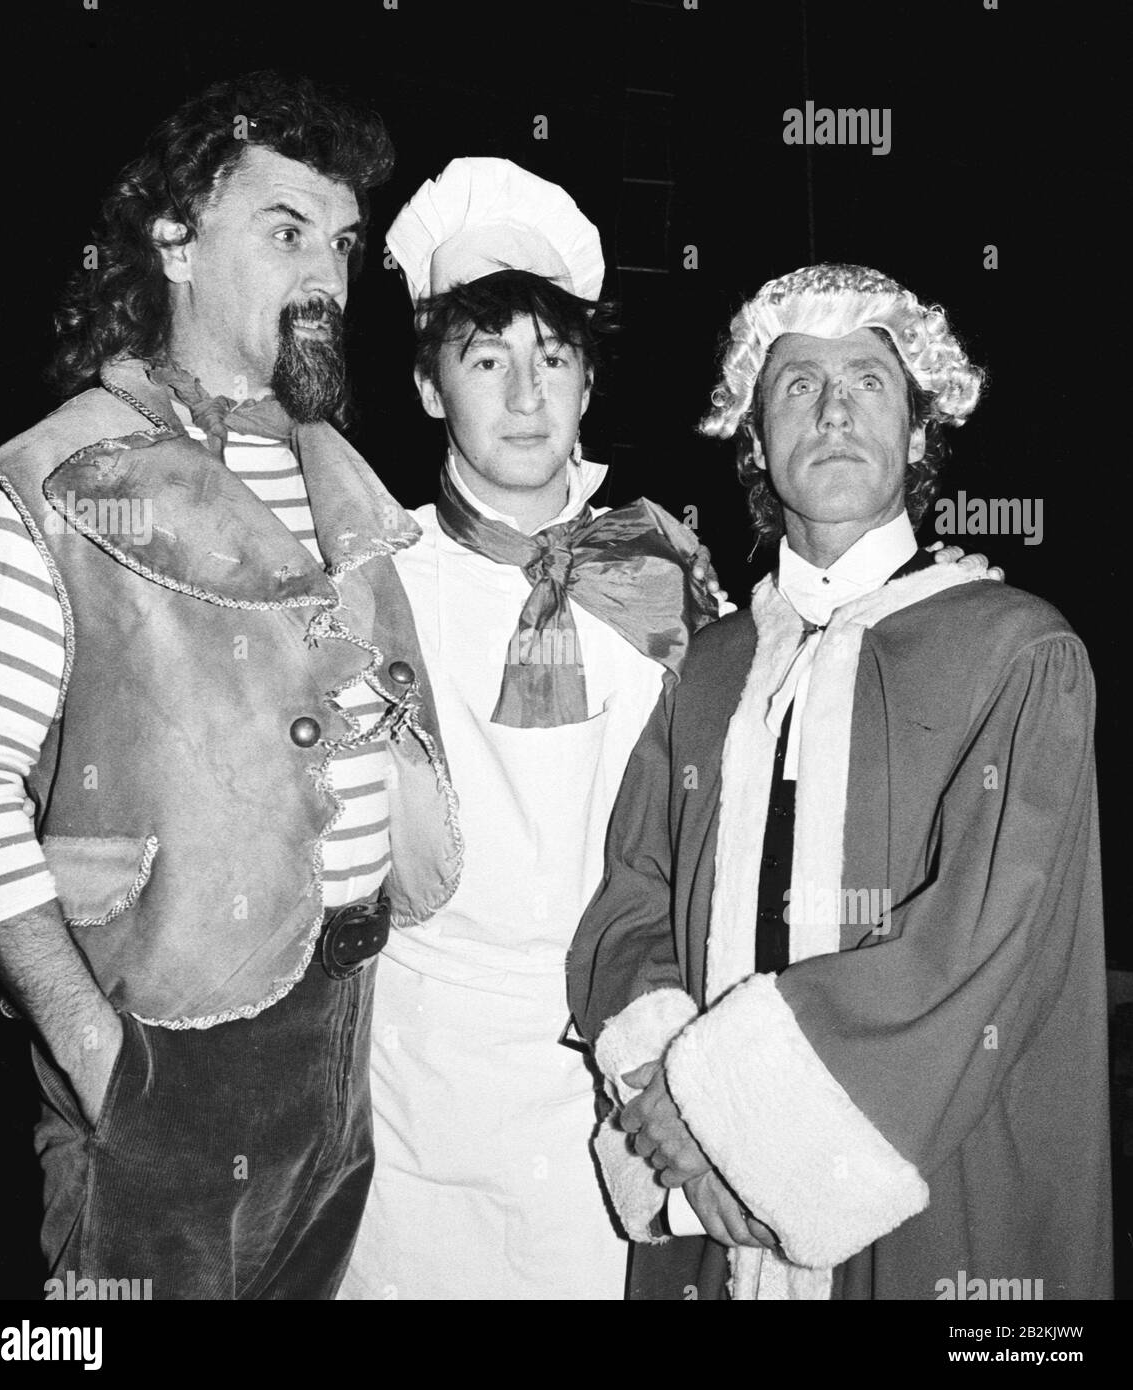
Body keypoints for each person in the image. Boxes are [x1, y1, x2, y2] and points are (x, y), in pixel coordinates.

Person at [0, 71, 461, 1300]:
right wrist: (89, 1047)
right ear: (173, 240)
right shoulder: (60, 478)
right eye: (286, 232)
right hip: (163, 1057)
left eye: (340, 243)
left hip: (338, 1034)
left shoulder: (340, 473)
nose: (328, 279)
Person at [568, 263, 1111, 1300]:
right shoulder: (712, 664)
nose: (833, 409)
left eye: (868, 380)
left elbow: (987, 945)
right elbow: (631, 896)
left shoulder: (1016, 654)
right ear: (757, 440)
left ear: (917, 432)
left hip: (928, 1183)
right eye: (797, 384)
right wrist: (666, 1097)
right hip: (704, 1205)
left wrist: (731, 1116)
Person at [337, 157, 727, 1300]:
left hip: (604, 1059)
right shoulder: (369, 574)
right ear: (426, 385)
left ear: (590, 383)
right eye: (485, 357)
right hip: (418, 1078)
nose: (524, 395)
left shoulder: (661, 570)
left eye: (553, 359)